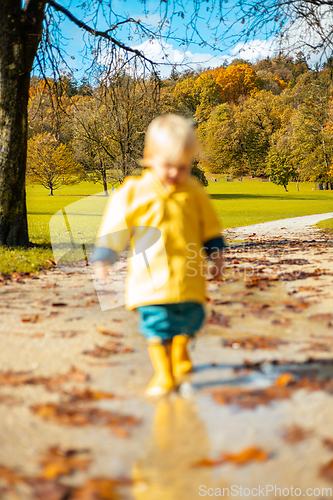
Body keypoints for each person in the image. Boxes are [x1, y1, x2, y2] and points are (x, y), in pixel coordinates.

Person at [91, 114, 225, 397]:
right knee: (156, 326)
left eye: (184, 167)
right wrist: (104, 256)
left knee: (190, 320)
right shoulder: (133, 192)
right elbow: (116, 225)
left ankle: (181, 350)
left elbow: (210, 227)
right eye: (169, 166)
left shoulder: (194, 192)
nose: (176, 174)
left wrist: (217, 259)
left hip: (189, 279)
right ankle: (164, 374)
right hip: (149, 280)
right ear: (149, 157)